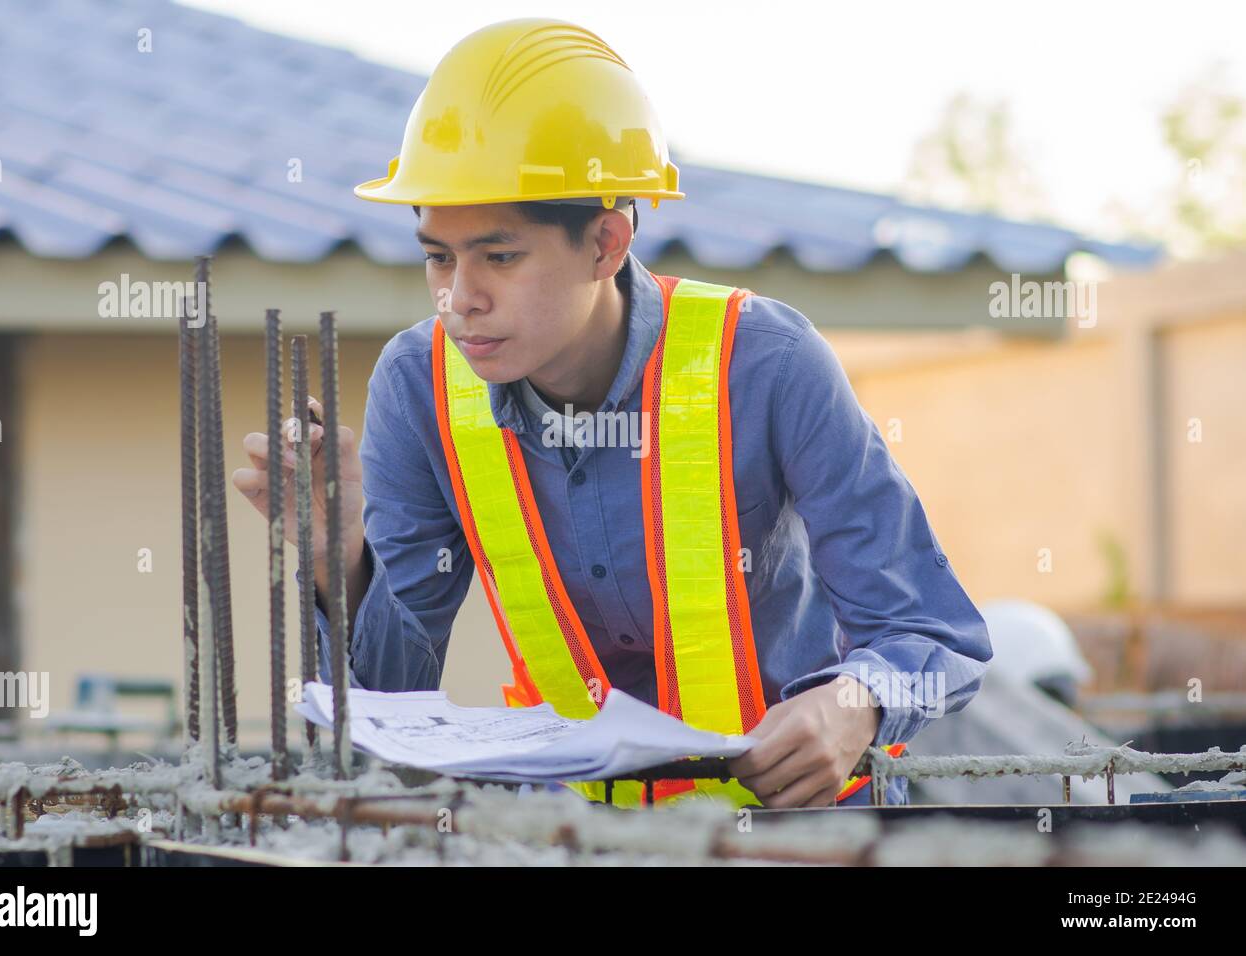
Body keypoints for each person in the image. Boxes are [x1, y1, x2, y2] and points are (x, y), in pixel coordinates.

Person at [234, 17, 991, 809]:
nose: (459, 298)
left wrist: (854, 704)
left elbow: (936, 634)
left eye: (499, 256)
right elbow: (387, 705)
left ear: (606, 243)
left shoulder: (766, 363)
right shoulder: (416, 389)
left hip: (803, 839)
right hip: (573, 842)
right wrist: (338, 560)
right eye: (436, 256)